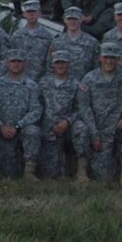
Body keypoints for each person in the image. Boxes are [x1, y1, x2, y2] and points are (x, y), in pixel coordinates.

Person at [74, 43, 122, 184]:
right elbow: (84, 108)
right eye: (106, 57)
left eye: (113, 58)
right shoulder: (89, 78)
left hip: (117, 127)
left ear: (118, 59)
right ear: (100, 58)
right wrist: (94, 134)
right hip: (97, 128)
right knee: (80, 129)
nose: (109, 61)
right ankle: (82, 171)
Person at [0, 50, 43, 179]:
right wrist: (1, 126)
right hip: (2, 130)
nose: (16, 64)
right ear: (7, 63)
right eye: (13, 61)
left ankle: (29, 172)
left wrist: (18, 126)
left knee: (33, 131)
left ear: (24, 64)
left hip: (22, 129)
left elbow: (36, 111)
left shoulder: (31, 85)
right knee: (7, 172)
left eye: (19, 61)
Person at [35, 51, 79, 179]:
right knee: (49, 173)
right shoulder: (43, 83)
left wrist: (67, 121)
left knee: (80, 130)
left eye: (63, 63)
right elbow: (37, 105)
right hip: (47, 127)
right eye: (57, 63)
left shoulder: (76, 84)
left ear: (69, 64)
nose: (60, 66)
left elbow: (81, 108)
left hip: (68, 128)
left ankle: (78, 169)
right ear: (53, 65)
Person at [3, 0, 54, 82]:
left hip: (40, 80)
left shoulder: (47, 37)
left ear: (39, 14)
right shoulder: (17, 35)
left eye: (34, 12)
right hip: (19, 80)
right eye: (28, 12)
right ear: (24, 14)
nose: (31, 14)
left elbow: (49, 62)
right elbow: (10, 59)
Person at [49, 6, 99, 80]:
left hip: (84, 84)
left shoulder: (92, 43)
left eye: (75, 19)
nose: (72, 22)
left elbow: (97, 69)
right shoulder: (56, 42)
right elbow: (49, 68)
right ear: (64, 20)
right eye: (69, 19)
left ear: (81, 20)